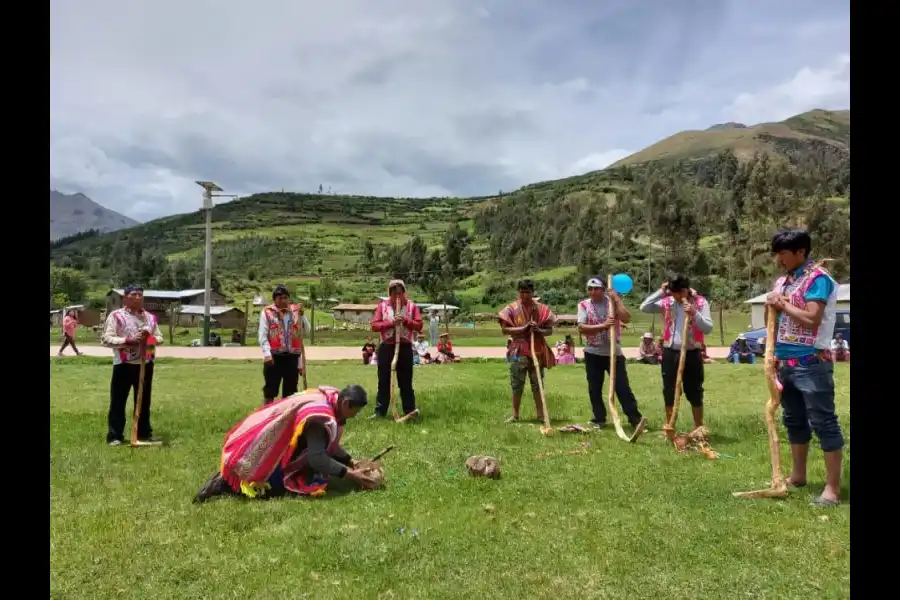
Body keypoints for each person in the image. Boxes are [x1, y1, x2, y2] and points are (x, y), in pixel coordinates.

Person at [193, 385, 379, 502]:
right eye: (356, 410)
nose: (356, 415)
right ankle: (223, 485)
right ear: (346, 403)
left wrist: (350, 461)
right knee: (273, 489)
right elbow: (317, 458)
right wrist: (352, 475)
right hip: (275, 456)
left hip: (277, 445)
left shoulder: (330, 397)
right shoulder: (319, 421)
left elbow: (328, 445)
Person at [766, 228, 844, 506]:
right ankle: (798, 475)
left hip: (812, 361)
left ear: (801, 252)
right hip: (784, 362)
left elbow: (811, 319)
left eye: (783, 254)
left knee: (823, 421)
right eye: (777, 254)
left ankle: (832, 489)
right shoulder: (783, 281)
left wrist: (782, 304)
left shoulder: (819, 280)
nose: (779, 259)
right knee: (794, 420)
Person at [640, 274, 714, 430]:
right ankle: (670, 426)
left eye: (679, 293)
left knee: (694, 390)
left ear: (686, 290)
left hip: (692, 352)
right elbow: (644, 307)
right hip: (670, 352)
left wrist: (694, 313)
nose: (676, 296)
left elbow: (708, 328)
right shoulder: (667, 302)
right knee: (670, 391)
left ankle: (698, 428)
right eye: (673, 292)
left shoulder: (700, 302)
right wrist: (661, 292)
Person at [577, 277, 645, 430]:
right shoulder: (583, 305)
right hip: (593, 353)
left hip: (614, 353)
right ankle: (599, 418)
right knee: (595, 388)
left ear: (603, 289)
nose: (593, 292)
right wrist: (603, 326)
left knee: (622, 387)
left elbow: (626, 318)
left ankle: (635, 419)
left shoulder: (611, 302)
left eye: (596, 288)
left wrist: (617, 299)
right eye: (590, 289)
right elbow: (581, 327)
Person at [101, 285, 165, 446]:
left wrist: (149, 338)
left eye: (140, 295)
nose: (138, 297)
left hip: (146, 363)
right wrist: (128, 341)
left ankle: (143, 433)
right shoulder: (116, 316)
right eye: (134, 294)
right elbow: (106, 339)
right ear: (125, 298)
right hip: (124, 363)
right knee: (118, 400)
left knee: (143, 400)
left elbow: (159, 337)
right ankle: (115, 436)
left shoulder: (150, 318)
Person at [498, 279, 557, 423]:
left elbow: (549, 330)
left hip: (536, 351)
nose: (525, 295)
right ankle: (515, 414)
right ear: (518, 292)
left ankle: (540, 414)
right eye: (522, 292)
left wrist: (539, 330)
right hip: (518, 351)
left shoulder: (541, 309)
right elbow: (505, 329)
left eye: (528, 292)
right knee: (517, 383)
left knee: (537, 383)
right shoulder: (511, 309)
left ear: (532, 292)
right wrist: (523, 328)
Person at [370, 279, 423, 418]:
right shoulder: (383, 306)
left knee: (405, 381)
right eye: (394, 293)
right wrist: (390, 323)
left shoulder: (411, 306)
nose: (397, 296)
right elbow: (374, 325)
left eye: (400, 293)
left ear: (404, 293)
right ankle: (380, 412)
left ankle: (409, 410)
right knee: (384, 380)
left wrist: (405, 320)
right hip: (387, 347)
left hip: (404, 347)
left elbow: (419, 325)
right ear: (390, 294)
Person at [258, 284, 311, 405]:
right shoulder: (267, 313)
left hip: (292, 357)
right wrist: (267, 353)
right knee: (270, 389)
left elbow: (306, 331)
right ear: (275, 299)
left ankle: (287, 414)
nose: (283, 300)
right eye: (280, 298)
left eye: (285, 297)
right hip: (274, 357)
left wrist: (303, 316)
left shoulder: (296, 311)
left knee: (291, 390)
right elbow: (263, 335)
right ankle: (267, 413)